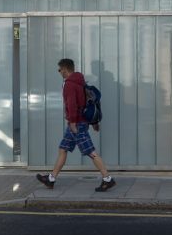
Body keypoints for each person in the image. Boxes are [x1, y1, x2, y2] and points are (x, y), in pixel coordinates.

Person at [37, 57, 115, 192]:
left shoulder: (69, 84)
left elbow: (72, 104)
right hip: (78, 123)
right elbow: (88, 102)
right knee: (63, 149)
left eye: (59, 70)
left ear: (65, 69)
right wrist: (94, 122)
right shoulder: (81, 82)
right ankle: (51, 179)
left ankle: (107, 179)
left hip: (77, 124)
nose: (59, 72)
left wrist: (72, 122)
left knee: (91, 152)